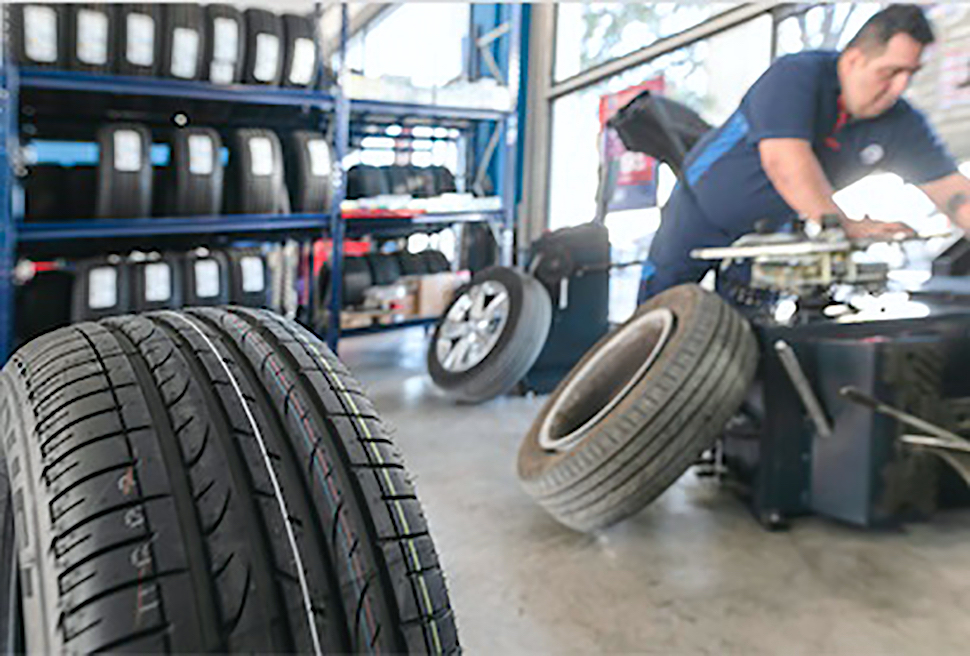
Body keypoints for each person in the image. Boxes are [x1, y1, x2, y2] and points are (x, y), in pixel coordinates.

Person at [639, 4, 970, 303]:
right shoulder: (795, 76)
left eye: (910, 74)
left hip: (772, 235)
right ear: (854, 59)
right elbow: (784, 163)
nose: (899, 88)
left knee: (756, 335)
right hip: (697, 214)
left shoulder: (901, 122)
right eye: (890, 72)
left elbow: (953, 191)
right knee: (659, 320)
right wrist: (844, 225)